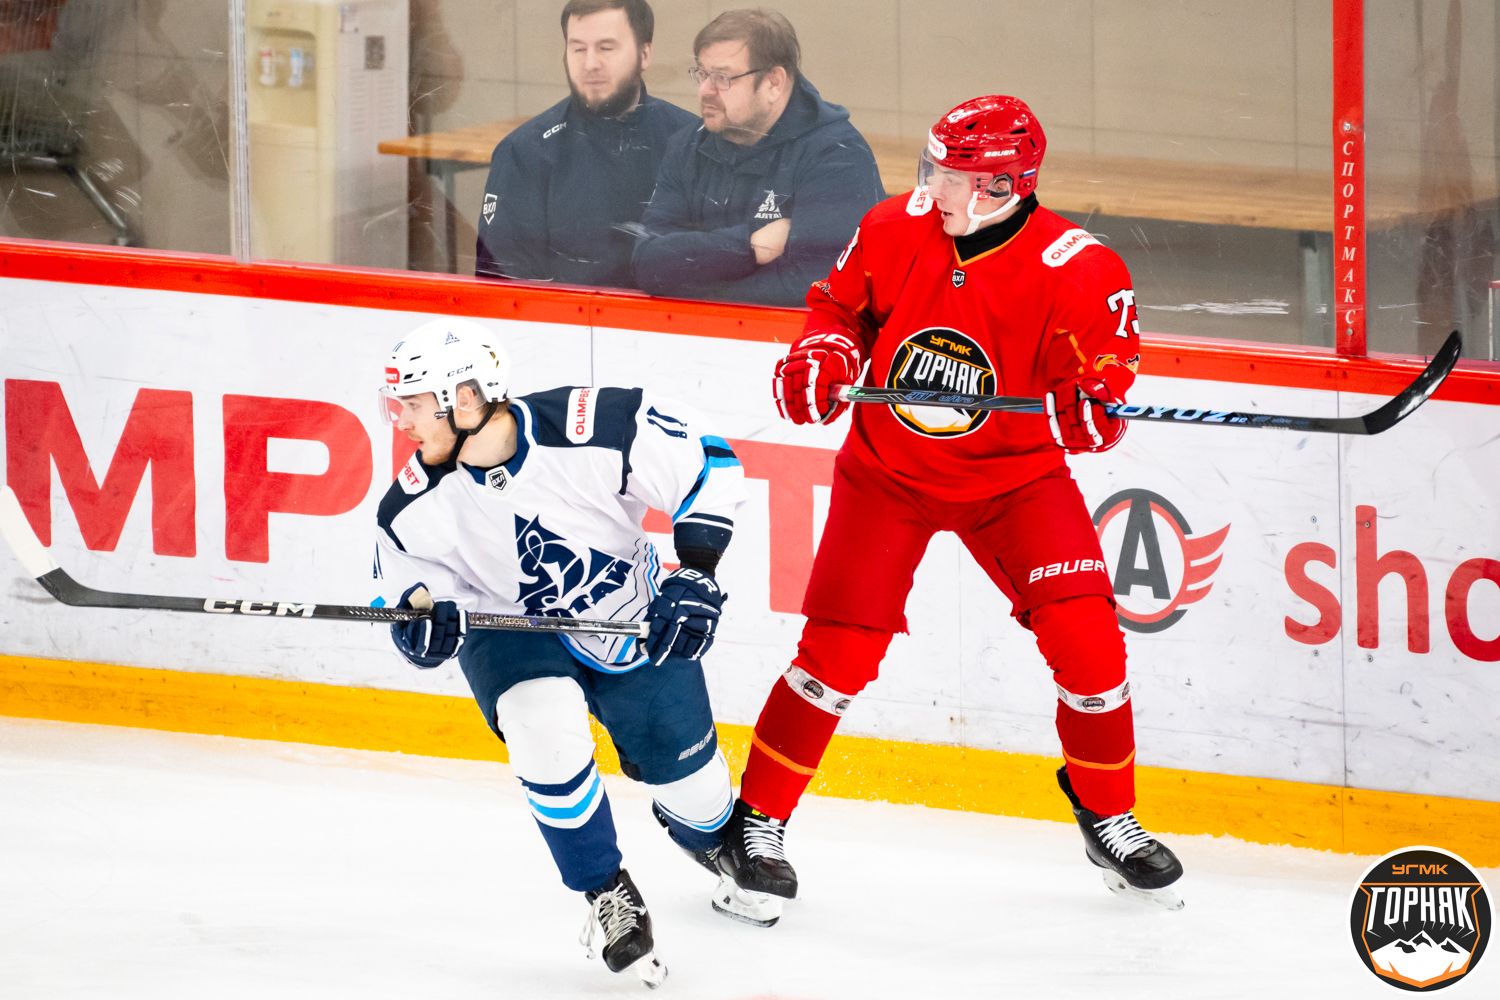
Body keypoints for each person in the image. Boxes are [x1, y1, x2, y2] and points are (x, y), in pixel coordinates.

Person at [714, 95, 1186, 921]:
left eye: (953, 176)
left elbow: (1102, 382)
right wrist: (825, 352)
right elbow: (839, 309)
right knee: (837, 654)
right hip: (888, 476)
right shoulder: (893, 227)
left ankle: (1108, 815)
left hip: (1014, 482)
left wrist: (1091, 408)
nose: (931, 186)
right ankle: (755, 826)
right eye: (932, 167)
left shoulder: (1083, 268)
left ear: (1004, 187)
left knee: (1089, 643)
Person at [372, 317, 753, 986]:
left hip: (627, 615)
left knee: (694, 787)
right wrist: (423, 621)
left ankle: (712, 837)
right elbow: (410, 585)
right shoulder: (410, 504)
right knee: (541, 724)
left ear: (465, 397)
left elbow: (706, 461)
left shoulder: (591, 424)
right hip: (510, 631)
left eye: (412, 403)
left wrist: (696, 571)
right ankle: (605, 890)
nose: (400, 420)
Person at [629, 8, 884, 307]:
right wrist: (749, 245)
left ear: (774, 83)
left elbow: (817, 288)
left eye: (722, 77)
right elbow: (647, 264)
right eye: (702, 74)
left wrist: (694, 281)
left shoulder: (837, 156)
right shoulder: (688, 146)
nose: (705, 91)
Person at [474, 0, 695, 288]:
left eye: (606, 48)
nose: (590, 64)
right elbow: (503, 290)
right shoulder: (526, 152)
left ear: (644, 54)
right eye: (578, 49)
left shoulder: (692, 141)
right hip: (565, 316)